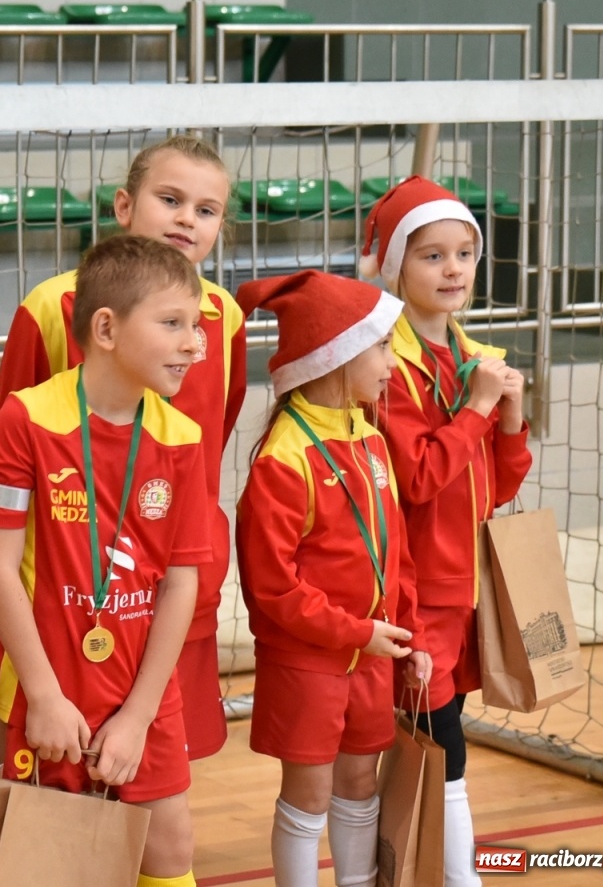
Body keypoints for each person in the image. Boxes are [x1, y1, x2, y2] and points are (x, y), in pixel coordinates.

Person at [0, 135, 245, 765]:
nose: (188, 218)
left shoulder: (225, 317)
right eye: (170, 199)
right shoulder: (55, 306)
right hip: (65, 586)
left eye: (207, 210)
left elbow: (215, 434)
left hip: (170, 578)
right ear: (125, 206)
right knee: (23, 752)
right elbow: (9, 436)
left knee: (156, 762)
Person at [0, 234, 209, 887]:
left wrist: (137, 716)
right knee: (50, 855)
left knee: (168, 846)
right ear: (105, 327)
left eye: (197, 325)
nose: (196, 343)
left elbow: (179, 585)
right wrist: (45, 697)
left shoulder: (182, 438)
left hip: (143, 694)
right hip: (51, 690)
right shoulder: (26, 420)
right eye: (173, 323)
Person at [234, 270, 431, 887]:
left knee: (357, 783)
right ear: (336, 354)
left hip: (370, 653)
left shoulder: (371, 441)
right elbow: (272, 590)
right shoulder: (283, 459)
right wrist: (355, 633)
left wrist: (412, 638)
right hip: (311, 661)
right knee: (311, 792)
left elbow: (397, 558)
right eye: (380, 346)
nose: (392, 363)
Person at [360, 177, 531, 887]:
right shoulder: (386, 367)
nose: (454, 269)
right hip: (413, 589)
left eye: (465, 253)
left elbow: (499, 485)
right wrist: (479, 408)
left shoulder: (469, 354)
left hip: (464, 589)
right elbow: (420, 479)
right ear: (394, 265)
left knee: (438, 735)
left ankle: (416, 868)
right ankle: (453, 875)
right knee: (438, 741)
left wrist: (510, 419)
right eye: (432, 256)